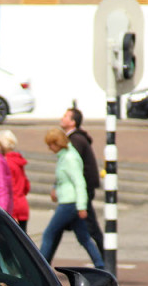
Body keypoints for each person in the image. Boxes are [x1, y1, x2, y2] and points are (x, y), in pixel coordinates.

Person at [39, 128, 105, 268]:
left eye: (51, 144)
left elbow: (79, 182)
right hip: (70, 201)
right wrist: (55, 188)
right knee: (84, 237)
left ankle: (39, 267)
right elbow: (64, 180)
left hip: (70, 203)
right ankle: (100, 266)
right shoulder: (65, 156)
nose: (49, 148)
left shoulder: (70, 158)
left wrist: (82, 206)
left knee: (49, 233)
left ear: (57, 143)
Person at [60, 107, 105, 252]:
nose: (62, 118)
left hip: (83, 189)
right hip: (84, 189)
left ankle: (104, 258)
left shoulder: (75, 140)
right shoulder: (77, 138)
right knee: (79, 229)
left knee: (90, 227)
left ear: (73, 122)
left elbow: (74, 168)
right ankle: (101, 258)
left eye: (66, 116)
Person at [0, 129, 30, 231]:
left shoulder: (6, 162)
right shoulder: (18, 160)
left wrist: (13, 213)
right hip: (23, 206)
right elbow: (26, 186)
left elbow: (11, 189)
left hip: (14, 208)